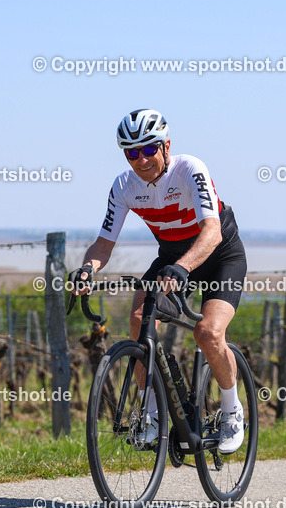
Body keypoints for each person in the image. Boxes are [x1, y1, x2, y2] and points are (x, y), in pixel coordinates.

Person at [72, 109, 248, 453]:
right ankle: (151, 415)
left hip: (219, 256)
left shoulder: (189, 169)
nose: (141, 159)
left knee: (208, 333)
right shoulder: (124, 186)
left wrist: (183, 267)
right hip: (172, 259)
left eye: (149, 149)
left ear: (166, 146)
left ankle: (231, 410)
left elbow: (211, 232)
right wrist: (87, 269)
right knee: (139, 320)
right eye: (131, 153)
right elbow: (104, 244)